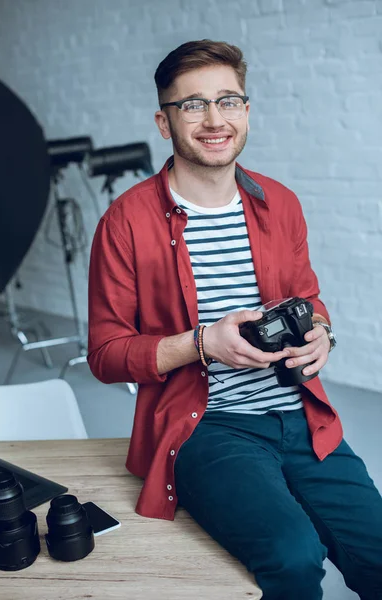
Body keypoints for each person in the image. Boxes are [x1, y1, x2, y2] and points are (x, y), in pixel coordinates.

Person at [87, 40, 382, 599]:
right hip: (208, 427)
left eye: (228, 100)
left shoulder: (281, 203)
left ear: (246, 110)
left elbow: (308, 299)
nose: (214, 119)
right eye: (192, 105)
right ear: (163, 121)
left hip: (302, 414)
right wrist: (202, 343)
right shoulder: (125, 221)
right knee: (294, 556)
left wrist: (323, 334)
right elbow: (105, 353)